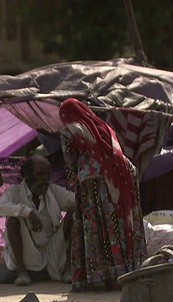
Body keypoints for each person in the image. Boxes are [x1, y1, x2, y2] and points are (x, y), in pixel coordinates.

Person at [59, 98, 147, 292]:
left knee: (98, 229)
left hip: (92, 184)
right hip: (122, 177)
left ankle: (99, 277)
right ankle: (125, 272)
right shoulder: (104, 128)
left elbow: (71, 164)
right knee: (119, 226)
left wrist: (76, 184)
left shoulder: (68, 132)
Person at [0, 155, 75, 286]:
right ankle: (22, 273)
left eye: (47, 174)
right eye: (40, 174)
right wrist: (27, 212)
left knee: (75, 214)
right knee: (13, 221)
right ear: (27, 174)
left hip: (52, 249)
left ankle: (68, 270)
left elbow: (76, 201)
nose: (45, 178)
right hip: (27, 251)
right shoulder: (15, 192)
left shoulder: (53, 191)